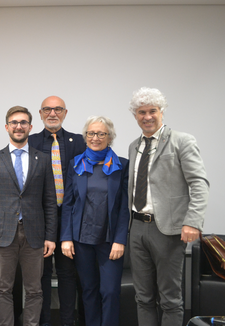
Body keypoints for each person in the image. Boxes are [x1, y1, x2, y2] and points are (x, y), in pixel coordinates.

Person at [128, 87, 209, 326]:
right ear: (136, 116)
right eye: (141, 112)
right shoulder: (134, 146)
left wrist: (192, 221)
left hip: (168, 230)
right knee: (142, 297)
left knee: (170, 300)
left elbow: (199, 183)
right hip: (137, 228)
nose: (147, 116)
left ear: (161, 112)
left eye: (152, 111)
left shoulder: (182, 141)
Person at [0, 106, 57, 326]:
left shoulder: (42, 159)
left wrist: (50, 237)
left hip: (34, 234)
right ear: (7, 127)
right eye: (14, 122)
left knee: (34, 289)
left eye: (23, 122)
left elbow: (50, 202)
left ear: (30, 127)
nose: (19, 126)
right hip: (3, 234)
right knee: (3, 288)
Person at [60, 116, 129, 326]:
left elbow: (125, 207)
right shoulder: (76, 164)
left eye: (101, 133)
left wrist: (120, 240)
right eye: (91, 133)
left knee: (109, 291)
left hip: (110, 241)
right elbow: (68, 204)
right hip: (82, 239)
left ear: (110, 137)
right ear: (85, 137)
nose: (95, 138)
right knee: (88, 291)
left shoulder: (122, 165)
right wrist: (66, 238)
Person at [29, 96, 86, 326]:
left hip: (69, 217)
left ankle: (67, 322)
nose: (53, 113)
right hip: (39, 217)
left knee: (67, 273)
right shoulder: (30, 141)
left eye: (58, 109)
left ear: (65, 112)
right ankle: (42, 322)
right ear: (40, 114)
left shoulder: (80, 142)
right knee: (39, 274)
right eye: (47, 109)